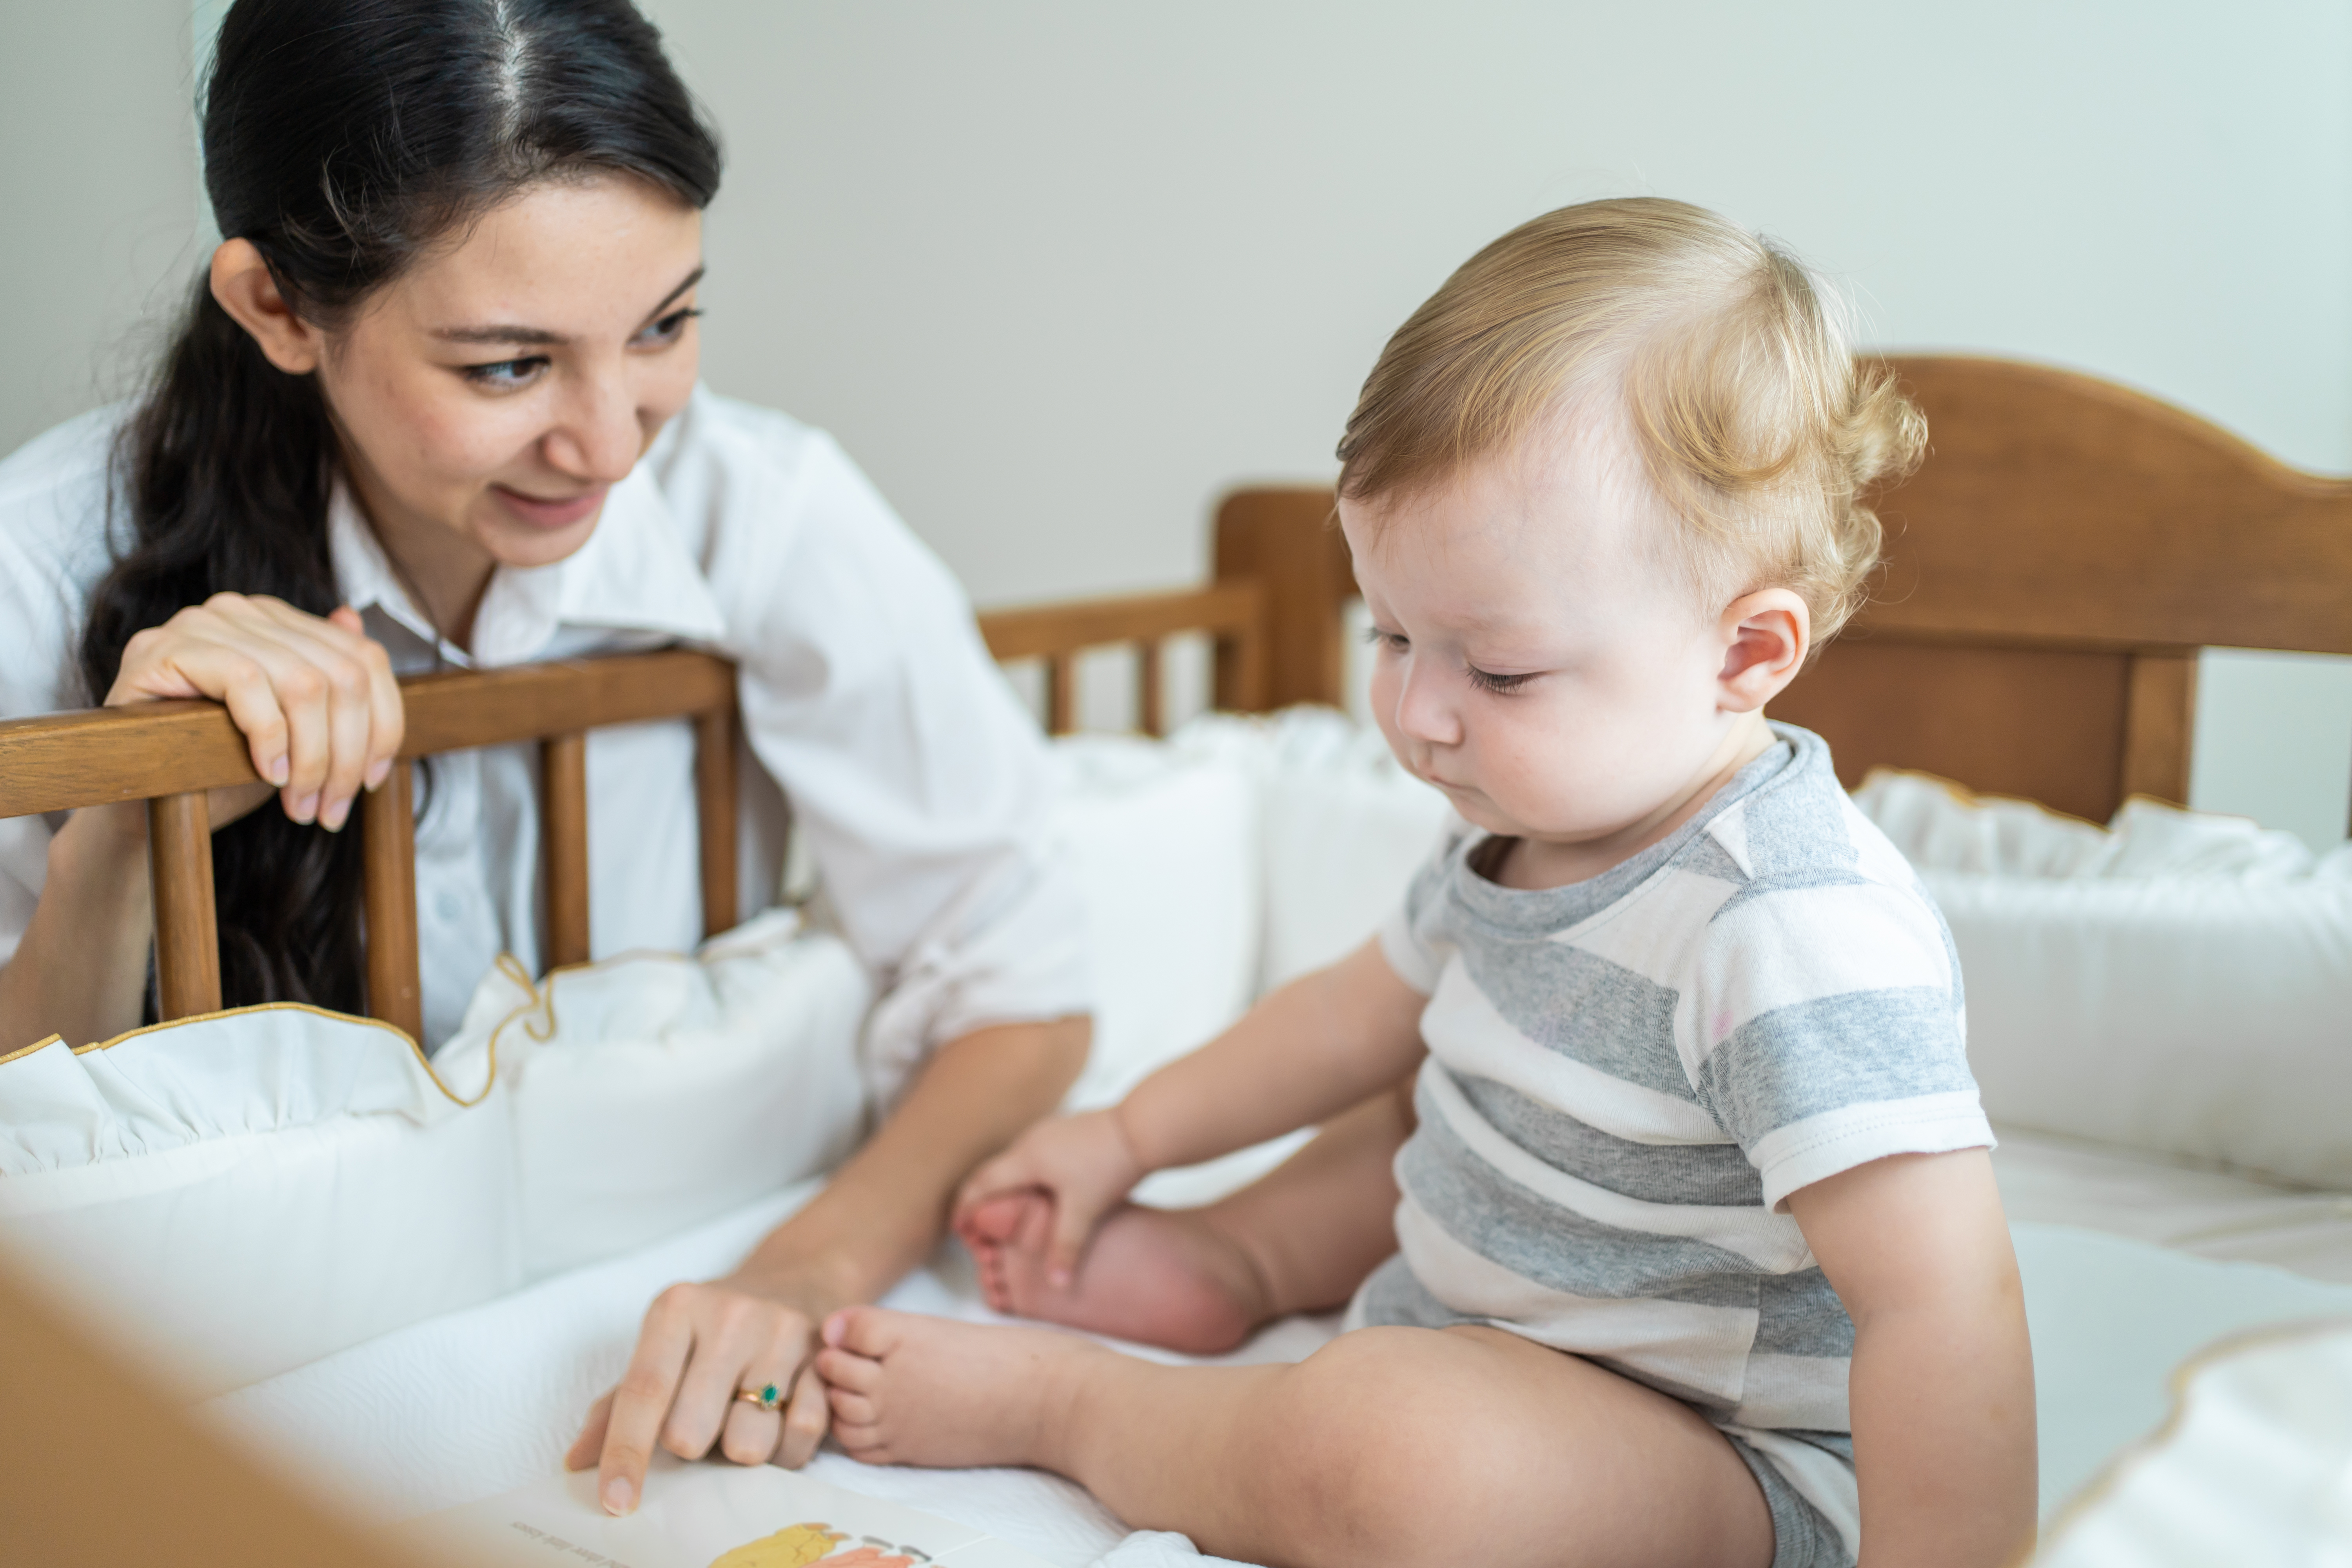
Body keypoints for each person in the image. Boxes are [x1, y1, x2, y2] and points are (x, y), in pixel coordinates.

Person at [813, 200, 2037, 1568]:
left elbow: (1947, 1308)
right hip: (1486, 1312)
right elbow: (1348, 1016)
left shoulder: (1789, 926)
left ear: (1745, 654)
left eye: (1497, 670)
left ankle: (1073, 1405)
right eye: (1391, 632)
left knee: (1384, 1456)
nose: (1417, 712)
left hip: (1713, 1458)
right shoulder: (1520, 826)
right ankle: (1245, 1262)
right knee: (1427, 1091)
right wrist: (1125, 1140)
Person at [0, 0, 1091, 1517]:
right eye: (510, 367)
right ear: (276, 307)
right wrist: (128, 817)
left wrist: (799, 1271)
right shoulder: (45, 564)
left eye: (663, 327)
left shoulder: (763, 513)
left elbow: (1021, 990)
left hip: (645, 1262)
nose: (613, 445)